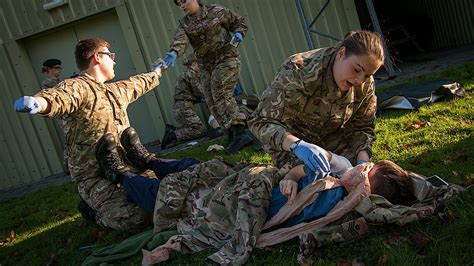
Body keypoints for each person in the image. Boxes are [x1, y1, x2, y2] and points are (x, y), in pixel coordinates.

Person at [13, 38, 196, 232]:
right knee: (138, 219)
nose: (114, 61)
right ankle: (92, 211)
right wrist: (38, 103)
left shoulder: (114, 90)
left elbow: (139, 83)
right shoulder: (78, 87)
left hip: (125, 167)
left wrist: (158, 71)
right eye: (111, 56)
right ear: (97, 57)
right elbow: (60, 97)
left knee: (170, 195)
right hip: (95, 177)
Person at [142, 148, 418, 265]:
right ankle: (146, 160)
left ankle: (125, 173)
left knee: (171, 190)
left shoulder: (336, 199)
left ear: (364, 188)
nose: (362, 166)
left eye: (367, 170)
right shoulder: (336, 174)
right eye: (366, 163)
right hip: (251, 181)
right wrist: (289, 177)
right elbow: (298, 170)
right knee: (198, 169)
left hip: (230, 201)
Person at [248, 30, 385, 173]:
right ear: (341, 53)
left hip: (333, 139)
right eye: (356, 70)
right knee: (314, 181)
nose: (359, 81)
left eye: (367, 75)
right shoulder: (298, 71)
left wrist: (362, 162)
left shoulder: (365, 82)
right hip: (293, 144)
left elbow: (361, 126)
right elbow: (260, 122)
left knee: (368, 180)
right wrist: (298, 146)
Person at [163, 0, 253, 153]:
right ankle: (231, 132)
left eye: (184, 1)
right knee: (211, 99)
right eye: (179, 4)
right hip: (206, 66)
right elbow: (181, 41)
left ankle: (240, 131)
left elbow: (238, 22)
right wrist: (174, 52)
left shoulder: (216, 11)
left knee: (220, 93)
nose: (182, 6)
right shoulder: (185, 24)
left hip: (226, 59)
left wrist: (239, 33)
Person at [161, 54, 224, 149]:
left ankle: (172, 131)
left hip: (182, 107)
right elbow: (199, 91)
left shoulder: (186, 74)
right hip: (183, 107)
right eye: (199, 64)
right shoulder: (191, 74)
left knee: (195, 127)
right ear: (194, 64)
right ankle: (172, 135)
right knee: (199, 130)